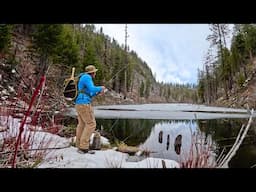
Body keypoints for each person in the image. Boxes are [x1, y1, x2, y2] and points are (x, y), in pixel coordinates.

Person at [75, 65, 106, 154]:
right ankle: (83, 147)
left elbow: (90, 92)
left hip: (79, 103)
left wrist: (97, 93)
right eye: (95, 72)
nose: (95, 74)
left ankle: (79, 145)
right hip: (84, 104)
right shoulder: (87, 77)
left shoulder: (83, 77)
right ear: (92, 73)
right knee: (91, 124)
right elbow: (92, 88)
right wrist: (101, 88)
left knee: (82, 124)